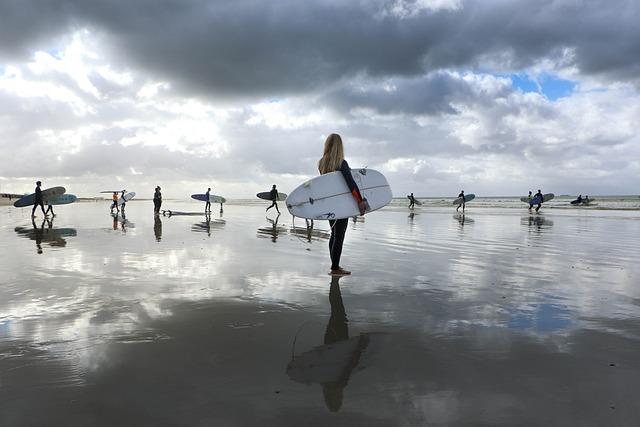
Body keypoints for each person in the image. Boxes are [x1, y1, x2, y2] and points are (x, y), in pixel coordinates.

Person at [319, 133, 367, 276]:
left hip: (329, 204)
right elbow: (350, 184)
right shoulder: (341, 163)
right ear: (340, 146)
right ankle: (335, 268)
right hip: (341, 205)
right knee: (339, 235)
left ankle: (334, 265)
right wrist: (360, 201)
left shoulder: (321, 163)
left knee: (334, 234)